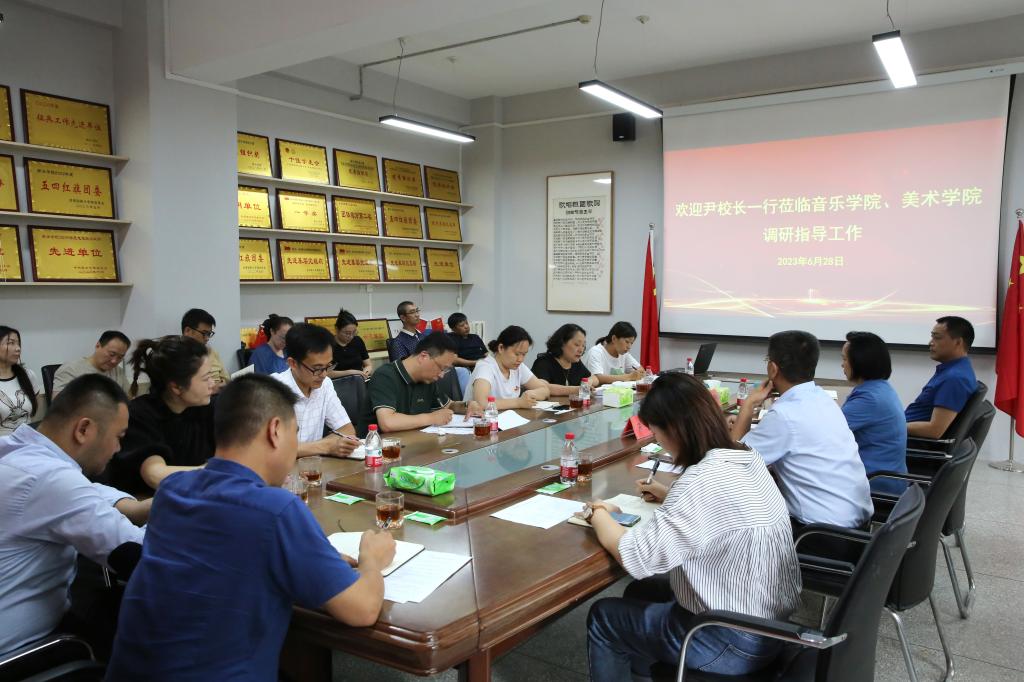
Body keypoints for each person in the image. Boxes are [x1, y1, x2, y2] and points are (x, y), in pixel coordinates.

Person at [106, 375, 396, 681]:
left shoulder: (172, 490)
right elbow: (362, 610)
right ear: (275, 431)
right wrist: (371, 560)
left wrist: (315, 559)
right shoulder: (276, 509)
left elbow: (222, 559)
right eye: (295, 434)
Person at [582, 373, 800, 679]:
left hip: (729, 640)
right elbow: (721, 509)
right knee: (640, 592)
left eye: (656, 433)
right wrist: (669, 493)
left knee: (604, 617)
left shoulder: (700, 482)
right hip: (772, 627)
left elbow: (639, 557)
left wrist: (599, 514)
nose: (658, 442)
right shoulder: (746, 456)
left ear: (674, 429)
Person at [0, 375, 148, 658]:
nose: (118, 450)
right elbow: (138, 555)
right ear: (83, 429)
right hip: (19, 653)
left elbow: (85, 492)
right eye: (118, 437)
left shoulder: (16, 450)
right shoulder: (50, 478)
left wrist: (141, 507)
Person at [731, 330, 872, 528]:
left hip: (819, 534)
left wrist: (748, 405)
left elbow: (728, 464)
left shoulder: (784, 416)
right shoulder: (823, 399)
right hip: (855, 524)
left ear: (773, 369)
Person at [108, 336, 216, 495]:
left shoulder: (206, 408)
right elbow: (155, 475)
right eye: (206, 378)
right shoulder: (140, 415)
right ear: (176, 387)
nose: (213, 384)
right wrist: (216, 471)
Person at [270, 323, 358, 458]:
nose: (324, 374)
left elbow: (347, 430)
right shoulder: (272, 390)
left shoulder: (325, 384)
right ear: (293, 363)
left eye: (328, 366)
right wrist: (326, 446)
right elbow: (273, 449)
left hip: (313, 467)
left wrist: (315, 447)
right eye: (317, 368)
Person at [366, 333, 482, 433]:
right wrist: (431, 418)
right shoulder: (385, 375)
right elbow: (387, 423)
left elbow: (448, 405)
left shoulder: (427, 379)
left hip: (415, 442)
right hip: (383, 447)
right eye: (442, 368)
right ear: (424, 357)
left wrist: (467, 405)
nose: (441, 375)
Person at [841, 332, 908, 495]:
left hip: (875, 482)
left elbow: (826, 432)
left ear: (859, 362)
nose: (842, 365)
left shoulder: (869, 399)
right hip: (888, 475)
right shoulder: (880, 388)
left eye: (844, 359)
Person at [906, 316, 978, 439]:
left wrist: (891, 426)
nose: (930, 343)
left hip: (905, 440)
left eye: (937, 337)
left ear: (958, 342)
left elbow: (934, 430)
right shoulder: (954, 370)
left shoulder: (955, 378)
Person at [470, 325, 551, 409]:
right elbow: (482, 402)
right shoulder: (485, 367)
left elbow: (545, 389)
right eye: (517, 354)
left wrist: (531, 394)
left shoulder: (518, 367)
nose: (520, 359)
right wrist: (518, 402)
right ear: (501, 348)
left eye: (524, 354)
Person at [52, 330, 134, 397]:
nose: (114, 361)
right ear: (98, 346)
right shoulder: (71, 370)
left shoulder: (118, 371)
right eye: (112, 354)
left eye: (120, 357)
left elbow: (129, 399)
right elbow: (59, 407)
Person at [531, 323, 600, 396]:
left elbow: (595, 378)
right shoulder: (543, 362)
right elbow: (543, 387)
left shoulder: (575, 362)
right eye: (577, 344)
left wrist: (588, 382)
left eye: (583, 346)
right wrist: (578, 389)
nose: (581, 350)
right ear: (562, 343)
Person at [0, 326, 42, 436]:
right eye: (11, 343)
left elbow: (34, 413)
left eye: (18, 344)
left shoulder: (28, 375)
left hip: (27, 439)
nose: (18, 348)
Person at [181, 308, 229, 391]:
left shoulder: (212, 352)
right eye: (204, 333)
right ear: (187, 331)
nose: (207, 338)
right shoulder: (176, 355)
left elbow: (226, 379)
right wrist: (213, 389)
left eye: (209, 334)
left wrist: (222, 385)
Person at [329, 308, 372, 380]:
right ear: (337, 329)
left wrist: (365, 373)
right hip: (338, 383)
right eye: (347, 333)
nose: (351, 336)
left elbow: (368, 365)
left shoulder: (357, 340)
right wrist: (351, 373)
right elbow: (327, 373)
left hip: (359, 381)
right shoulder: (328, 345)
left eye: (354, 332)